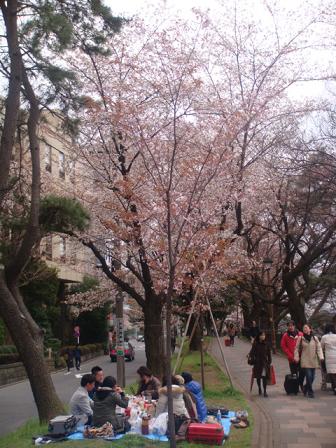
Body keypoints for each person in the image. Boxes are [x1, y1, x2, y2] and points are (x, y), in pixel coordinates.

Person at [294, 323, 324, 398]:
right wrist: (296, 357)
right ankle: (310, 392)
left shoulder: (315, 338)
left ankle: (305, 387)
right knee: (308, 376)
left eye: (306, 327)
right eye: (304, 328)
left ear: (310, 329)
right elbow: (296, 348)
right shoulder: (300, 338)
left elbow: (319, 348)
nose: (305, 329)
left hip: (313, 359)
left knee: (312, 377)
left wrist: (321, 356)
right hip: (305, 359)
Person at [248, 330, 272, 397]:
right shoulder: (255, 344)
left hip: (264, 363)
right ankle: (259, 388)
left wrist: (269, 362)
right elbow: (252, 353)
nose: (263, 336)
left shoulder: (267, 344)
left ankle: (265, 391)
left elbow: (269, 354)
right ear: (259, 336)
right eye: (261, 335)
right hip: (257, 363)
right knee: (258, 377)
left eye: (264, 335)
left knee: (264, 377)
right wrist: (252, 360)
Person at [320, 324, 336, 395]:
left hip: (329, 357)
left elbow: (321, 347)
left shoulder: (324, 337)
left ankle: (334, 387)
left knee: (331, 373)